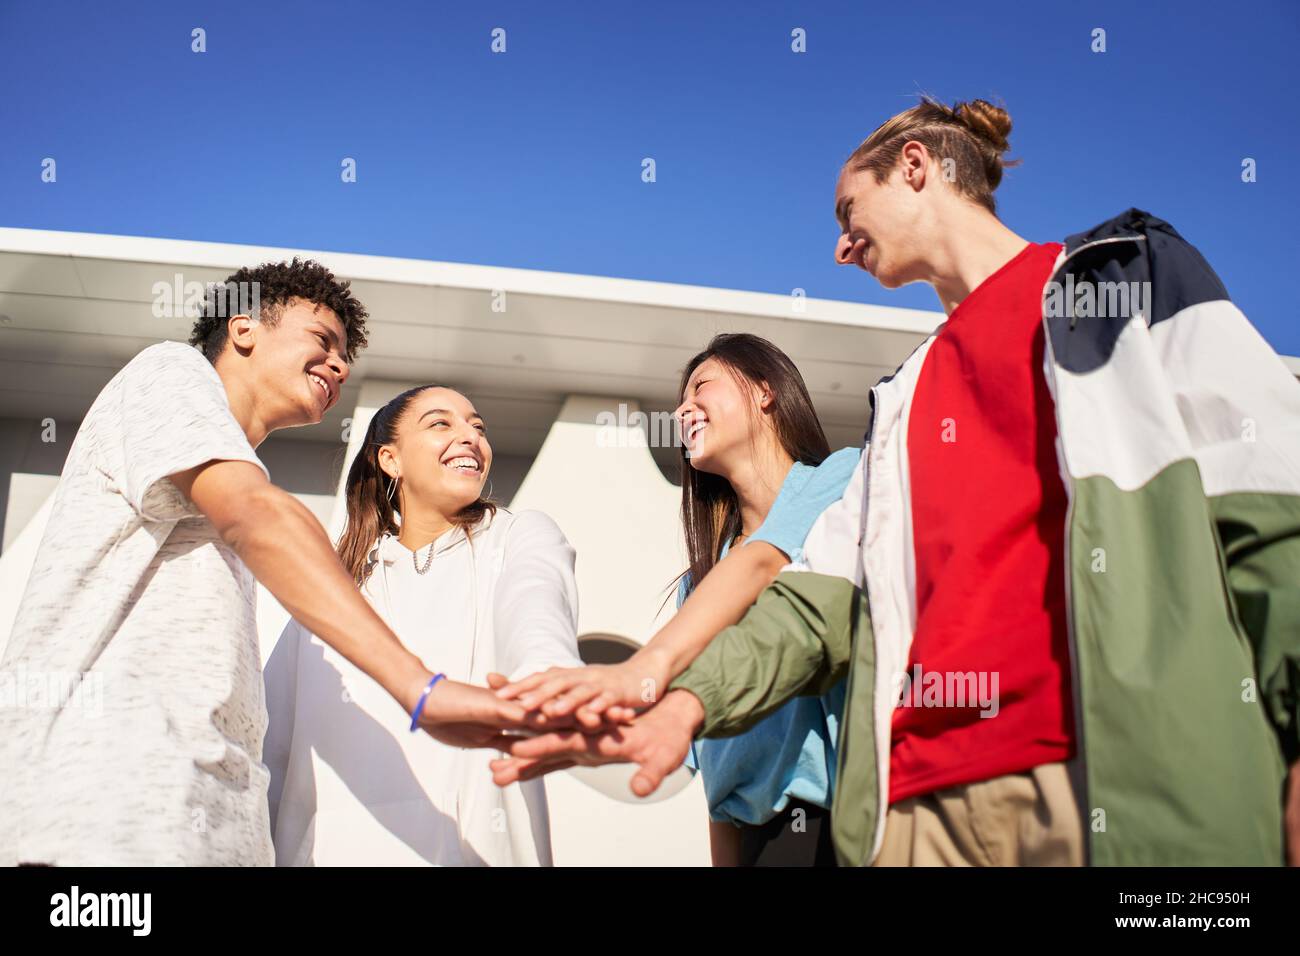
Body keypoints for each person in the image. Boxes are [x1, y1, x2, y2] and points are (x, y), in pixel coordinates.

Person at [489, 97, 1300, 867]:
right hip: (915, 816)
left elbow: (1273, 509)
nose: (842, 246)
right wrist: (684, 702)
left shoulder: (1127, 280)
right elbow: (811, 609)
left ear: (914, 166)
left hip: (1121, 781)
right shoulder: (902, 407)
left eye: (849, 212)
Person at [0, 260, 530, 866]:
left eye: (344, 357)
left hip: (206, 835)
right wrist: (422, 691)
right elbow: (259, 517)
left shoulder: (227, 487)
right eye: (322, 341)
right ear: (245, 329)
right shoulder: (168, 374)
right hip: (101, 825)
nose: (340, 366)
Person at [497, 333, 858, 866]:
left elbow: (765, 562)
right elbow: (716, 772)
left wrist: (640, 668)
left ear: (764, 390)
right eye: (680, 401)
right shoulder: (699, 585)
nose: (683, 409)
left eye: (700, 387)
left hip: (841, 817)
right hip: (758, 840)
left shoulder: (841, 480)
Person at [264, 384, 583, 865]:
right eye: (441, 424)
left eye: (478, 427)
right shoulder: (333, 591)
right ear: (390, 459)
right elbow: (269, 748)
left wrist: (551, 682)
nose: (470, 437)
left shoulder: (517, 538)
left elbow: (537, 615)